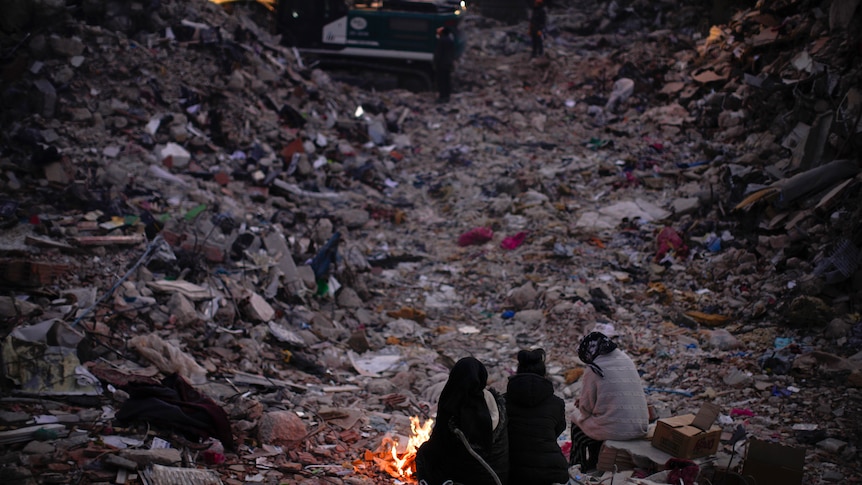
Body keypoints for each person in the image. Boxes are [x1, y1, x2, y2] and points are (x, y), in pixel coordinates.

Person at [416, 356, 509, 485]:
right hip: (498, 475)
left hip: (464, 477)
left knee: (424, 453)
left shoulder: (452, 403)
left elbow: (438, 442)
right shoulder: (496, 402)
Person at [570, 332, 649, 471]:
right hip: (640, 426)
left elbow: (585, 409)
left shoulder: (594, 369)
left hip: (618, 430)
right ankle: (596, 459)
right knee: (599, 419)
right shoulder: (626, 359)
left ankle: (577, 466)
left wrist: (581, 403)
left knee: (576, 422)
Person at [505, 348, 569, 485]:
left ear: (518, 371)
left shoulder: (503, 401)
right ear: (544, 373)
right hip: (552, 471)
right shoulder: (557, 403)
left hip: (512, 472)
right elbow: (558, 430)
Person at [433, 26, 455, 103]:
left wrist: (435, 63)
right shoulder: (450, 40)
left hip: (441, 64)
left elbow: (438, 54)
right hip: (448, 64)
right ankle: (447, 96)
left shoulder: (441, 41)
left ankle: (442, 97)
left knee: (441, 81)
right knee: (447, 81)